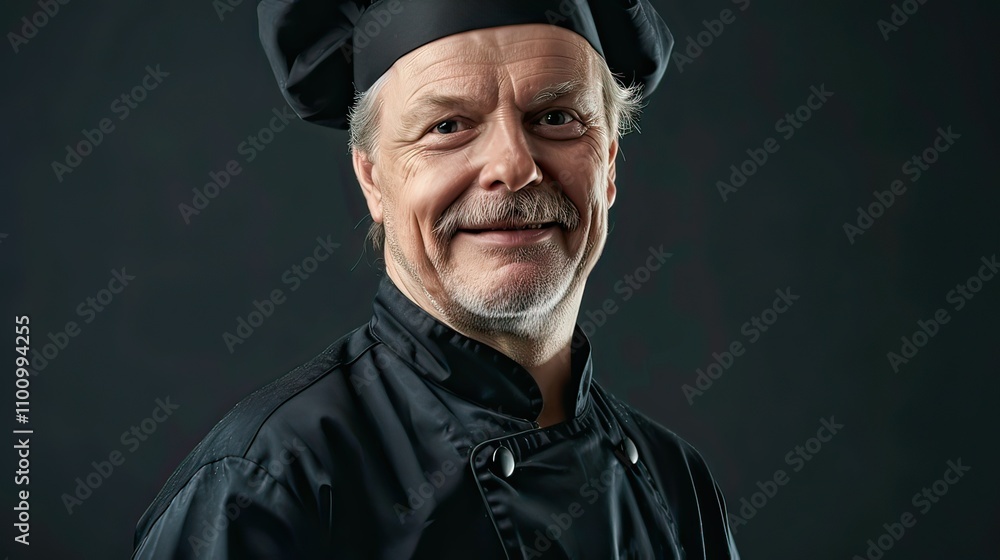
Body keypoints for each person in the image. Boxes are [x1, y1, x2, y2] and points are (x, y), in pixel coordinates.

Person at [132, 0, 740, 557]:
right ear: (373, 179)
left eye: (556, 117)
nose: (513, 166)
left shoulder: (676, 483)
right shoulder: (264, 485)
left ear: (607, 164)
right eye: (448, 126)